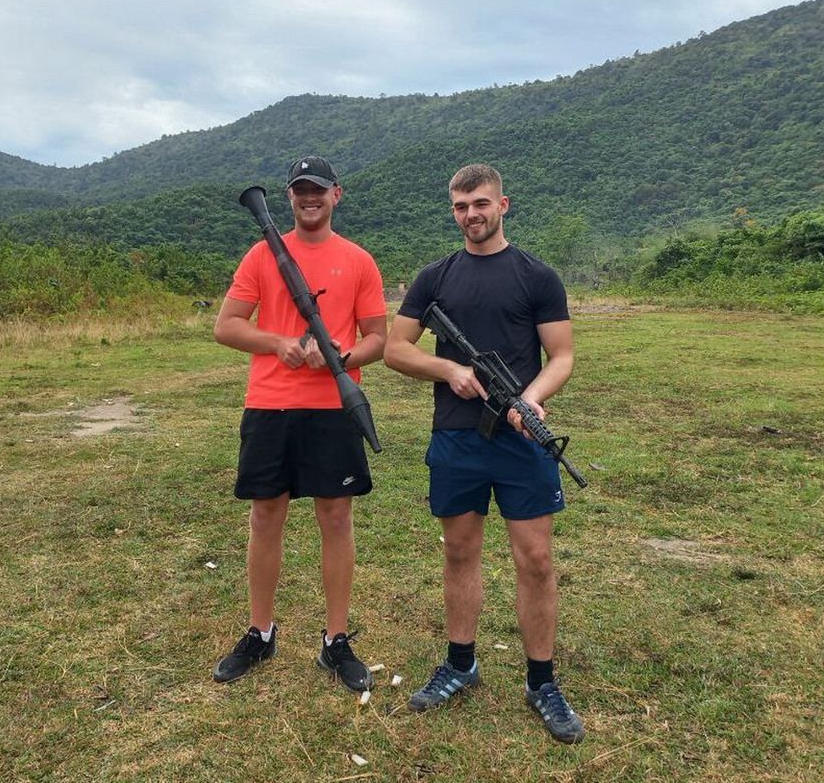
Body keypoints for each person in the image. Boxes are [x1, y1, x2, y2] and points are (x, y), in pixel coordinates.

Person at [383, 163, 584, 743]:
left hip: (520, 440)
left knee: (536, 560)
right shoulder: (435, 277)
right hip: (455, 437)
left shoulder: (536, 276)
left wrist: (530, 399)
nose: (471, 214)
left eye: (481, 203)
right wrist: (449, 369)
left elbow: (562, 356)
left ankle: (542, 681)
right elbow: (396, 349)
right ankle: (461, 664)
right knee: (459, 550)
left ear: (503, 205)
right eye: (461, 206)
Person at [212, 155, 387, 693]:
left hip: (334, 405)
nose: (309, 198)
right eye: (299, 190)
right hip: (270, 403)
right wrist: (280, 344)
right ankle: (260, 632)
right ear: (289, 198)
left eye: (319, 189)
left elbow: (378, 339)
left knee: (336, 518)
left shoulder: (358, 261)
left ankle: (336, 641)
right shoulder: (262, 256)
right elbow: (227, 327)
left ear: (337, 195)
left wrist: (344, 355)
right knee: (266, 516)